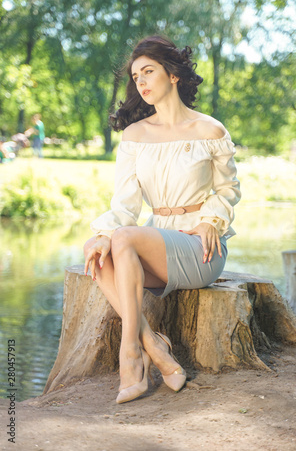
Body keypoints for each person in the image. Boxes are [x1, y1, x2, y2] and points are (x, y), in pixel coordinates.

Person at [84, 35, 241, 404]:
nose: (141, 82)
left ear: (173, 74)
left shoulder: (210, 130)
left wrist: (210, 221)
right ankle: (154, 346)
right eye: (136, 76)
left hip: (200, 248)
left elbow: (229, 189)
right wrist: (104, 234)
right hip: (155, 242)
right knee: (99, 250)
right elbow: (124, 206)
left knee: (121, 238)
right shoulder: (135, 135)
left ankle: (131, 357)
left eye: (148, 71)